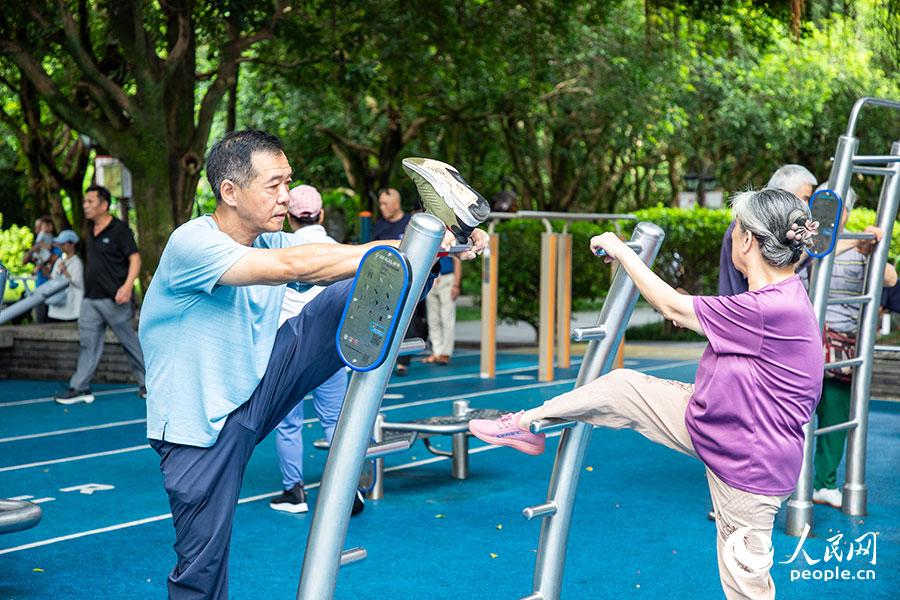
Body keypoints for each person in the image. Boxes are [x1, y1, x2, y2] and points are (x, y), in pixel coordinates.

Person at [138, 130, 488, 599]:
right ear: (230, 191)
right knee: (201, 571)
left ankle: (438, 226)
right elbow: (298, 266)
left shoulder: (267, 239)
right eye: (274, 185)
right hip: (197, 433)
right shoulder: (192, 243)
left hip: (257, 388)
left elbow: (331, 262)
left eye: (288, 182)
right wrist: (406, 248)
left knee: (341, 301)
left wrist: (439, 244)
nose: (285, 196)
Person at [470, 189, 824, 600]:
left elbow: (673, 308)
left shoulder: (770, 308)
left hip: (749, 462)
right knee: (622, 387)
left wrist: (622, 250)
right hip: (714, 421)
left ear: (747, 240)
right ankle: (525, 424)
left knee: (746, 589)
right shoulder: (778, 298)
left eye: (735, 228)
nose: (731, 236)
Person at [268, 184, 354, 514]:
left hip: (286, 345)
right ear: (321, 214)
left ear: (290, 217)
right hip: (330, 345)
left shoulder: (279, 248)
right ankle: (347, 491)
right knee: (335, 421)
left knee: (288, 423)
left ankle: (294, 492)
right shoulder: (338, 250)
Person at [813, 187, 897, 509]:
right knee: (788, 419)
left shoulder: (859, 244)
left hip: (841, 346)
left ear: (844, 212)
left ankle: (824, 483)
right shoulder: (803, 241)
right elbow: (811, 253)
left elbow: (890, 279)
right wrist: (852, 242)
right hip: (807, 341)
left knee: (834, 420)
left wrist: (874, 249)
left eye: (831, 207)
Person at [54, 185, 146, 405]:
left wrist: (127, 287)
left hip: (115, 299)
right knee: (88, 344)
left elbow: (135, 259)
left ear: (104, 205)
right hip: (91, 299)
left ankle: (149, 384)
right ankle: (80, 387)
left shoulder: (120, 230)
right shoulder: (89, 228)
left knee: (130, 343)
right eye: (84, 201)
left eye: (90, 202)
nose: (85, 205)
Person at [718, 164, 817, 295]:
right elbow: (771, 271)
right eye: (805, 198)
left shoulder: (784, 228)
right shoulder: (746, 226)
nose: (806, 205)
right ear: (783, 195)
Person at [373, 187, 420, 375]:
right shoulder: (379, 226)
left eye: (385, 204)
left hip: (406, 281)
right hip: (383, 282)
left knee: (406, 320)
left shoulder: (411, 224)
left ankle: (403, 361)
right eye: (380, 204)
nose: (382, 208)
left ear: (396, 204)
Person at [423, 255, 461, 364]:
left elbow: (457, 260)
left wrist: (456, 285)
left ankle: (445, 353)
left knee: (447, 318)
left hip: (447, 279)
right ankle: (437, 352)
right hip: (431, 278)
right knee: (433, 319)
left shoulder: (450, 242)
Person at [23, 216, 61, 323]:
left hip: (53, 291)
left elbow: (50, 267)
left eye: (40, 227)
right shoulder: (38, 247)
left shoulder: (56, 247)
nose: (37, 231)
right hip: (40, 289)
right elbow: (24, 261)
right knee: (40, 321)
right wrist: (34, 249)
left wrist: (41, 265)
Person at [46, 230, 84, 323]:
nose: (60, 246)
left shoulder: (76, 262)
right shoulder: (59, 261)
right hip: (57, 306)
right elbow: (53, 279)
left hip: (71, 309)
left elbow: (78, 283)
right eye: (60, 244)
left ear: (72, 244)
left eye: (63, 243)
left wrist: (65, 272)